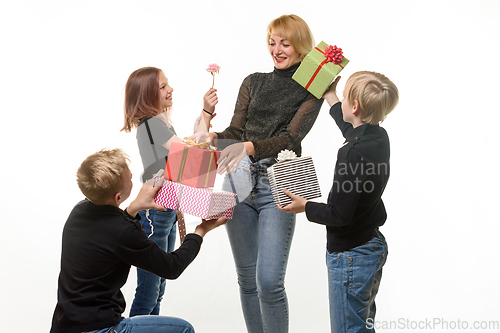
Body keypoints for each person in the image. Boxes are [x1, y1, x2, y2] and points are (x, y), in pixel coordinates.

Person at [206, 14, 323, 333]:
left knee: (269, 282)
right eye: (272, 42)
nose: (277, 49)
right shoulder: (252, 81)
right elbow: (236, 130)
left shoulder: (312, 87)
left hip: (281, 181)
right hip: (237, 178)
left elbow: (291, 138)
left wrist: (247, 147)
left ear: (301, 47)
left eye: (285, 43)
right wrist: (212, 137)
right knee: (247, 279)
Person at [50, 148, 227, 333]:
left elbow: (109, 231)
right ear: (118, 197)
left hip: (65, 326)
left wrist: (132, 209)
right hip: (99, 329)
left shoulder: (78, 211)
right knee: (184, 329)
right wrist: (200, 231)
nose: (133, 176)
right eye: (130, 179)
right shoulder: (123, 231)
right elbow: (172, 267)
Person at [279, 71, 399, 332]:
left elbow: (339, 215)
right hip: (371, 246)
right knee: (360, 325)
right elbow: (351, 128)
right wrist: (331, 96)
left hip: (351, 256)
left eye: (345, 97)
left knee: (348, 329)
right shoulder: (378, 137)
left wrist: (305, 206)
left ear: (354, 106)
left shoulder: (351, 154)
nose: (342, 100)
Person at [121, 67, 217, 317]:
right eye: (163, 87)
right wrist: (206, 113)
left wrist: (206, 115)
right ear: (147, 95)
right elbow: (191, 153)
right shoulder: (152, 124)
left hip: (166, 208)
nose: (170, 89)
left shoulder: (159, 124)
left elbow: (190, 153)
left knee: (158, 288)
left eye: (167, 84)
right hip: (156, 211)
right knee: (150, 290)